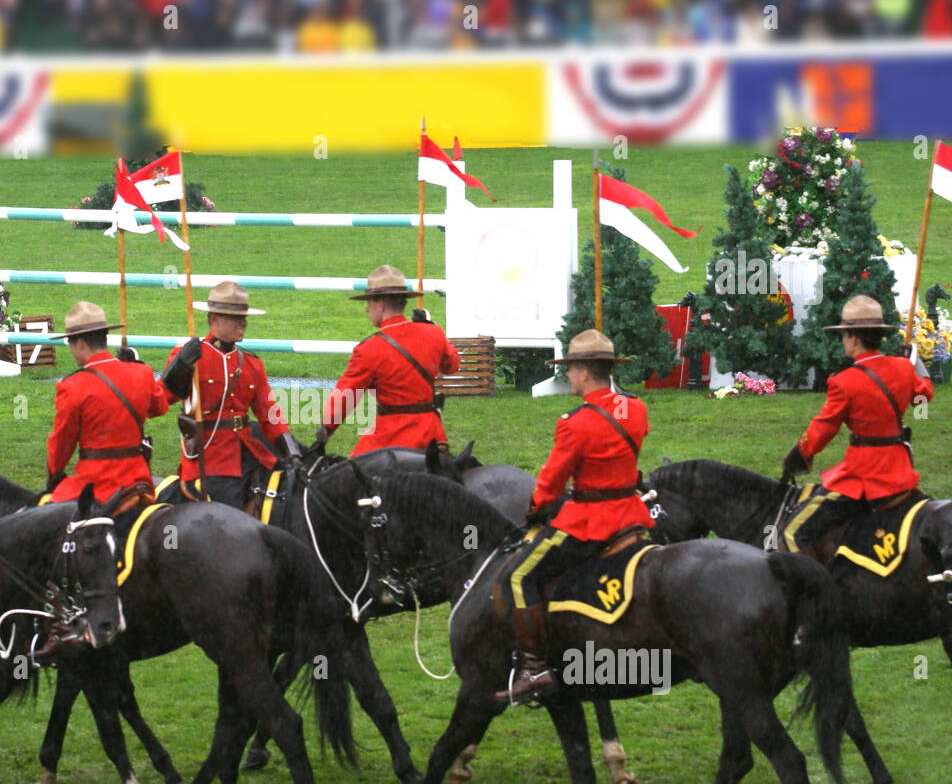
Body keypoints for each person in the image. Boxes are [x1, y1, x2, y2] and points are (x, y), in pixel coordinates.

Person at [494, 330, 653, 704]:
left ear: (583, 371)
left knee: (517, 577)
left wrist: (536, 508)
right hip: (631, 515)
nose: (567, 376)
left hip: (591, 522)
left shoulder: (575, 422)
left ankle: (535, 669)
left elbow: (551, 481)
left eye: (569, 370)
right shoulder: (636, 408)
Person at [781, 295, 933, 553]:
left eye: (844, 335)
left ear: (853, 336)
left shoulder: (844, 382)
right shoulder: (902, 367)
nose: (843, 341)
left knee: (792, 534)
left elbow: (824, 427)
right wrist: (914, 363)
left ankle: (814, 591)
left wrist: (800, 453)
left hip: (865, 474)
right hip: (901, 470)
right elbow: (923, 397)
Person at [160, 281, 299, 507]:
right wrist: (180, 365)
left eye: (243, 318)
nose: (243, 323)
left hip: (248, 452)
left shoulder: (252, 364)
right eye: (236, 318)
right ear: (214, 319)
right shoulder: (190, 357)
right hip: (210, 458)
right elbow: (160, 400)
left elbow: (269, 414)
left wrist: (292, 451)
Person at [319, 264, 461, 455]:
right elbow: (452, 365)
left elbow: (344, 399)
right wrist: (431, 326)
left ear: (381, 304)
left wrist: (326, 430)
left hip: (392, 439)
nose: (366, 308)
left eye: (369, 302)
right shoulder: (433, 332)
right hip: (433, 436)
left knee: (349, 479)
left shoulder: (368, 349)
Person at [45, 301, 170, 506]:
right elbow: (159, 407)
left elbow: (62, 444)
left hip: (98, 485)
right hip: (139, 480)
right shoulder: (142, 372)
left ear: (81, 344)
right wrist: (136, 365)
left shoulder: (72, 386)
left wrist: (54, 473)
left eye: (70, 344)